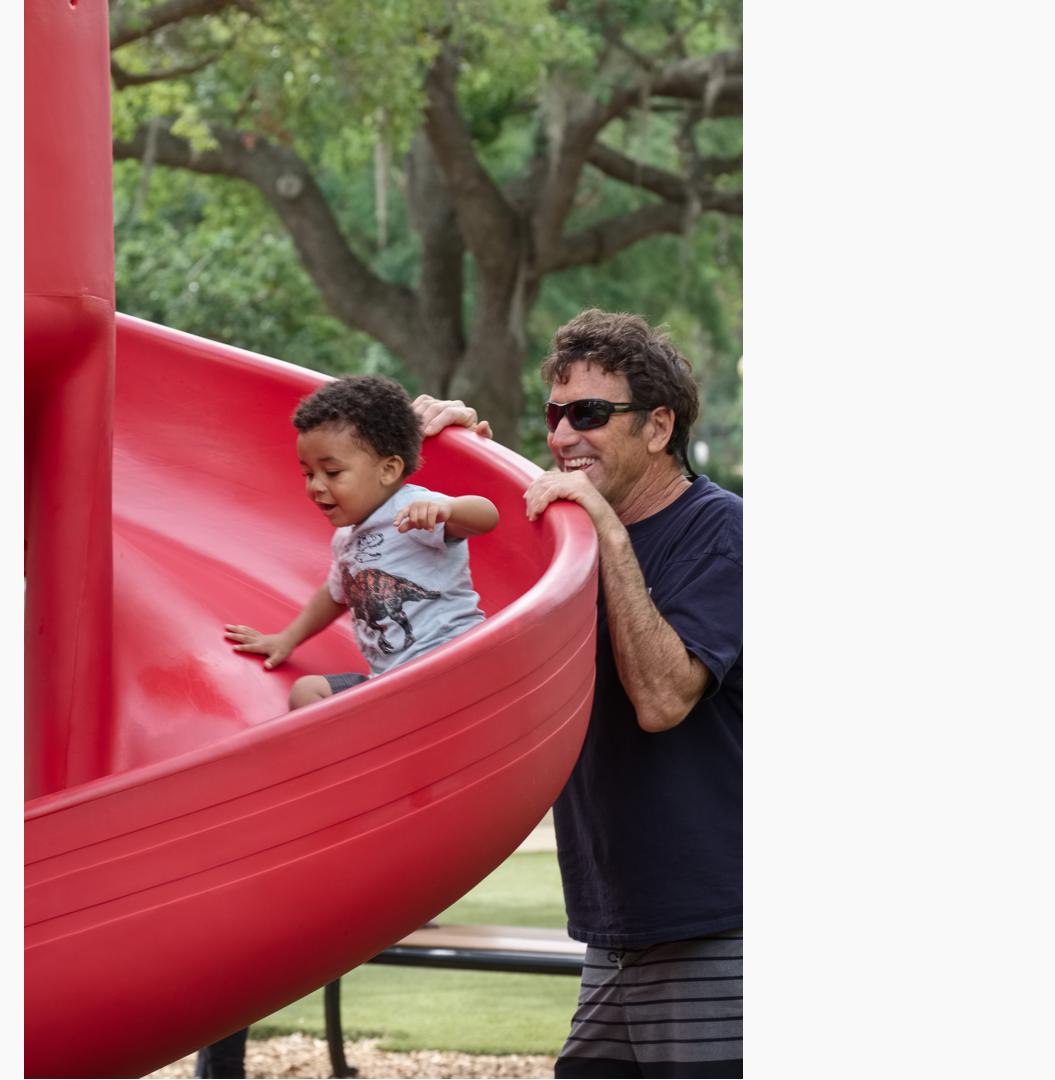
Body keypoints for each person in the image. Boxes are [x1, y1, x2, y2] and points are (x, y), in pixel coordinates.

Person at [413, 310, 742, 1079]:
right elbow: (461, 608)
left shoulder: (725, 534)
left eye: (590, 414)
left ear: (658, 427)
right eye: (556, 416)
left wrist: (605, 527)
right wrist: (465, 458)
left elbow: (663, 698)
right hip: (611, 929)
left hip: (717, 928)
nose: (562, 436)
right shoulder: (568, 537)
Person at [197, 374, 499, 1078]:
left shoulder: (416, 509)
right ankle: (341, 815)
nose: (316, 486)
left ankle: (378, 813)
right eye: (307, 471)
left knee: (348, 709)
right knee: (307, 692)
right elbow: (332, 599)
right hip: (392, 691)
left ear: (390, 469)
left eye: (332, 470)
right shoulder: (349, 543)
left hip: (451, 677)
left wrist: (447, 508)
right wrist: (283, 638)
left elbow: (487, 515)